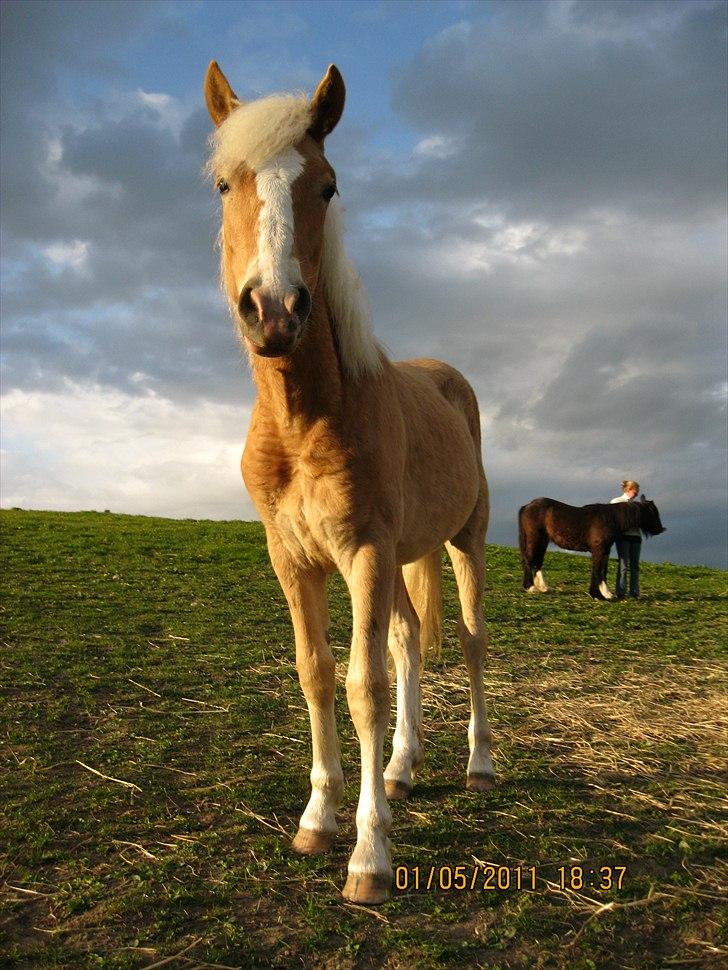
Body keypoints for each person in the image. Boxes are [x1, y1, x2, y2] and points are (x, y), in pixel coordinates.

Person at [610, 479, 641, 599]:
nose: (637, 494)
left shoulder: (637, 505)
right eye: (635, 491)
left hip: (636, 537)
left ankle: (634, 592)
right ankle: (620, 591)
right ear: (628, 490)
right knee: (623, 565)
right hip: (623, 537)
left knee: (635, 566)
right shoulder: (616, 502)